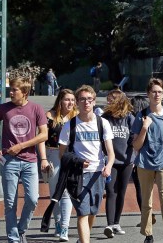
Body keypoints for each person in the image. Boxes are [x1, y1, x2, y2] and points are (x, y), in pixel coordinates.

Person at [0, 76, 49, 243]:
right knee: (10, 203)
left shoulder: (36, 109)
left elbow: (44, 134)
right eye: (11, 90)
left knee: (32, 199)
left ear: (25, 92)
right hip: (9, 161)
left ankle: (21, 229)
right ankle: (14, 239)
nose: (11, 93)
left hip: (30, 160)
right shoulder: (4, 108)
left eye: (14, 90)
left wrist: (22, 146)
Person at [58, 85, 115, 243]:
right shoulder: (70, 125)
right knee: (82, 212)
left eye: (89, 99)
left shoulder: (102, 123)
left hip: (98, 174)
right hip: (78, 176)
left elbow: (111, 153)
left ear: (94, 102)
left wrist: (108, 166)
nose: (86, 103)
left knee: (92, 212)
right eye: (82, 99)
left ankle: (84, 238)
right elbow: (62, 153)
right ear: (77, 102)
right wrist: (76, 163)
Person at [132, 78, 163, 243]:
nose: (156, 95)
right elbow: (136, 145)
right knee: (147, 201)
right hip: (144, 163)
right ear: (148, 94)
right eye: (153, 92)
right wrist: (144, 128)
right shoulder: (142, 115)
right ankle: (148, 234)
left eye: (159, 92)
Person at [40, 88, 78, 242]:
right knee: (55, 192)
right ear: (60, 101)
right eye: (67, 99)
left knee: (66, 192)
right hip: (53, 154)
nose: (70, 103)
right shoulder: (50, 116)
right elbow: (42, 139)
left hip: (71, 155)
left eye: (72, 100)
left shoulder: (76, 117)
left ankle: (64, 227)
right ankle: (57, 222)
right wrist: (43, 158)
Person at [101, 90, 137, 238]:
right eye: (108, 99)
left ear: (120, 101)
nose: (109, 101)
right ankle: (109, 225)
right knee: (110, 191)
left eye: (112, 99)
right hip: (111, 161)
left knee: (121, 192)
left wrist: (134, 158)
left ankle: (116, 223)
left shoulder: (129, 117)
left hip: (126, 161)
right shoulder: (104, 118)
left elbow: (134, 139)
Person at [130, 95, 156, 228]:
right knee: (147, 189)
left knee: (140, 190)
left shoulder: (136, 120)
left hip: (139, 159)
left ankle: (146, 217)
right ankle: (148, 215)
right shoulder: (149, 118)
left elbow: (135, 143)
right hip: (152, 158)